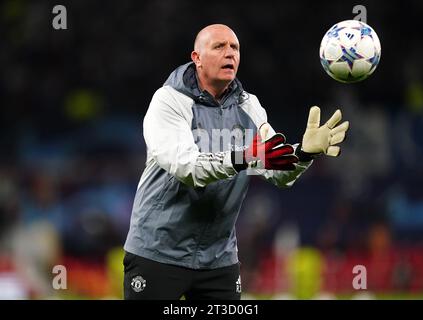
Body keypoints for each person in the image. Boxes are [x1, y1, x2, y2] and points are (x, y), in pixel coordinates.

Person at [123, 24, 349, 300]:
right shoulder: (169, 101)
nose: (229, 53)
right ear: (197, 57)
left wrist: (303, 153)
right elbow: (188, 168)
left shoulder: (250, 106)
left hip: (218, 259)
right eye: (219, 47)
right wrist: (245, 157)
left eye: (235, 48)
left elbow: (276, 171)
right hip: (157, 251)